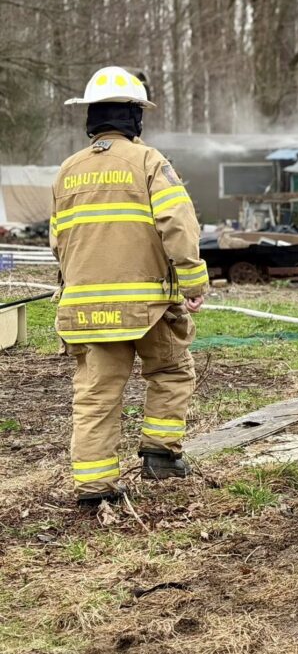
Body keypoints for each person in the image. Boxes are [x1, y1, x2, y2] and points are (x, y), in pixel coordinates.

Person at [51, 66, 209, 508]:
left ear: (92, 117)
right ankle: (161, 455)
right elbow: (178, 225)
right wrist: (193, 280)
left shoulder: (67, 170)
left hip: (85, 308)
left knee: (96, 396)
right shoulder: (149, 162)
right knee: (170, 371)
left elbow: (58, 241)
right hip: (148, 305)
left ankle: (94, 487)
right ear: (134, 116)